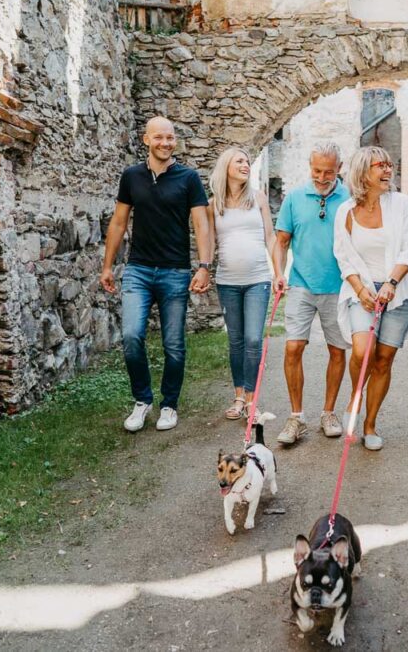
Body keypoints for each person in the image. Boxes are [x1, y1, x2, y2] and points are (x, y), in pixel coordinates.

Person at [101, 116, 212, 433]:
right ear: (146, 140)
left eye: (170, 137)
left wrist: (204, 266)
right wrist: (107, 266)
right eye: (159, 137)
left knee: (173, 344)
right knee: (131, 336)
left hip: (175, 271)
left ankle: (169, 405)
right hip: (138, 270)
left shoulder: (188, 178)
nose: (166, 143)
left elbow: (201, 223)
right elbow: (119, 222)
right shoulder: (131, 176)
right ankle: (142, 401)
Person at [334, 146, 408, 451]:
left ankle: (370, 425)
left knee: (384, 359)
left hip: (397, 290)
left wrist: (391, 282)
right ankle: (355, 397)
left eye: (389, 165)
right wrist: (361, 290)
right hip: (361, 290)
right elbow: (343, 256)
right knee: (363, 350)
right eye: (380, 166)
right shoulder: (346, 211)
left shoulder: (401, 204)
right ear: (363, 172)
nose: (388, 170)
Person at [271, 143, 350, 445]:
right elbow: (281, 242)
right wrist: (279, 273)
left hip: (338, 286)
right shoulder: (294, 198)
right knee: (293, 348)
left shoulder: (349, 198)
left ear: (339, 168)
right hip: (301, 284)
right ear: (310, 165)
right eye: (317, 170)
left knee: (337, 350)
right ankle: (296, 417)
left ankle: (329, 413)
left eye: (329, 172)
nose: (321, 177)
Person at [208, 147, 277, 421]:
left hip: (258, 279)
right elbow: (209, 242)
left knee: (253, 339)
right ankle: (239, 396)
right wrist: (203, 270)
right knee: (235, 341)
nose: (245, 165)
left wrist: (279, 272)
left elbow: (270, 237)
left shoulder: (258, 198)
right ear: (226, 166)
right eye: (239, 161)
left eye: (247, 161)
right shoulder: (213, 204)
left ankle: (252, 399)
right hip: (227, 281)